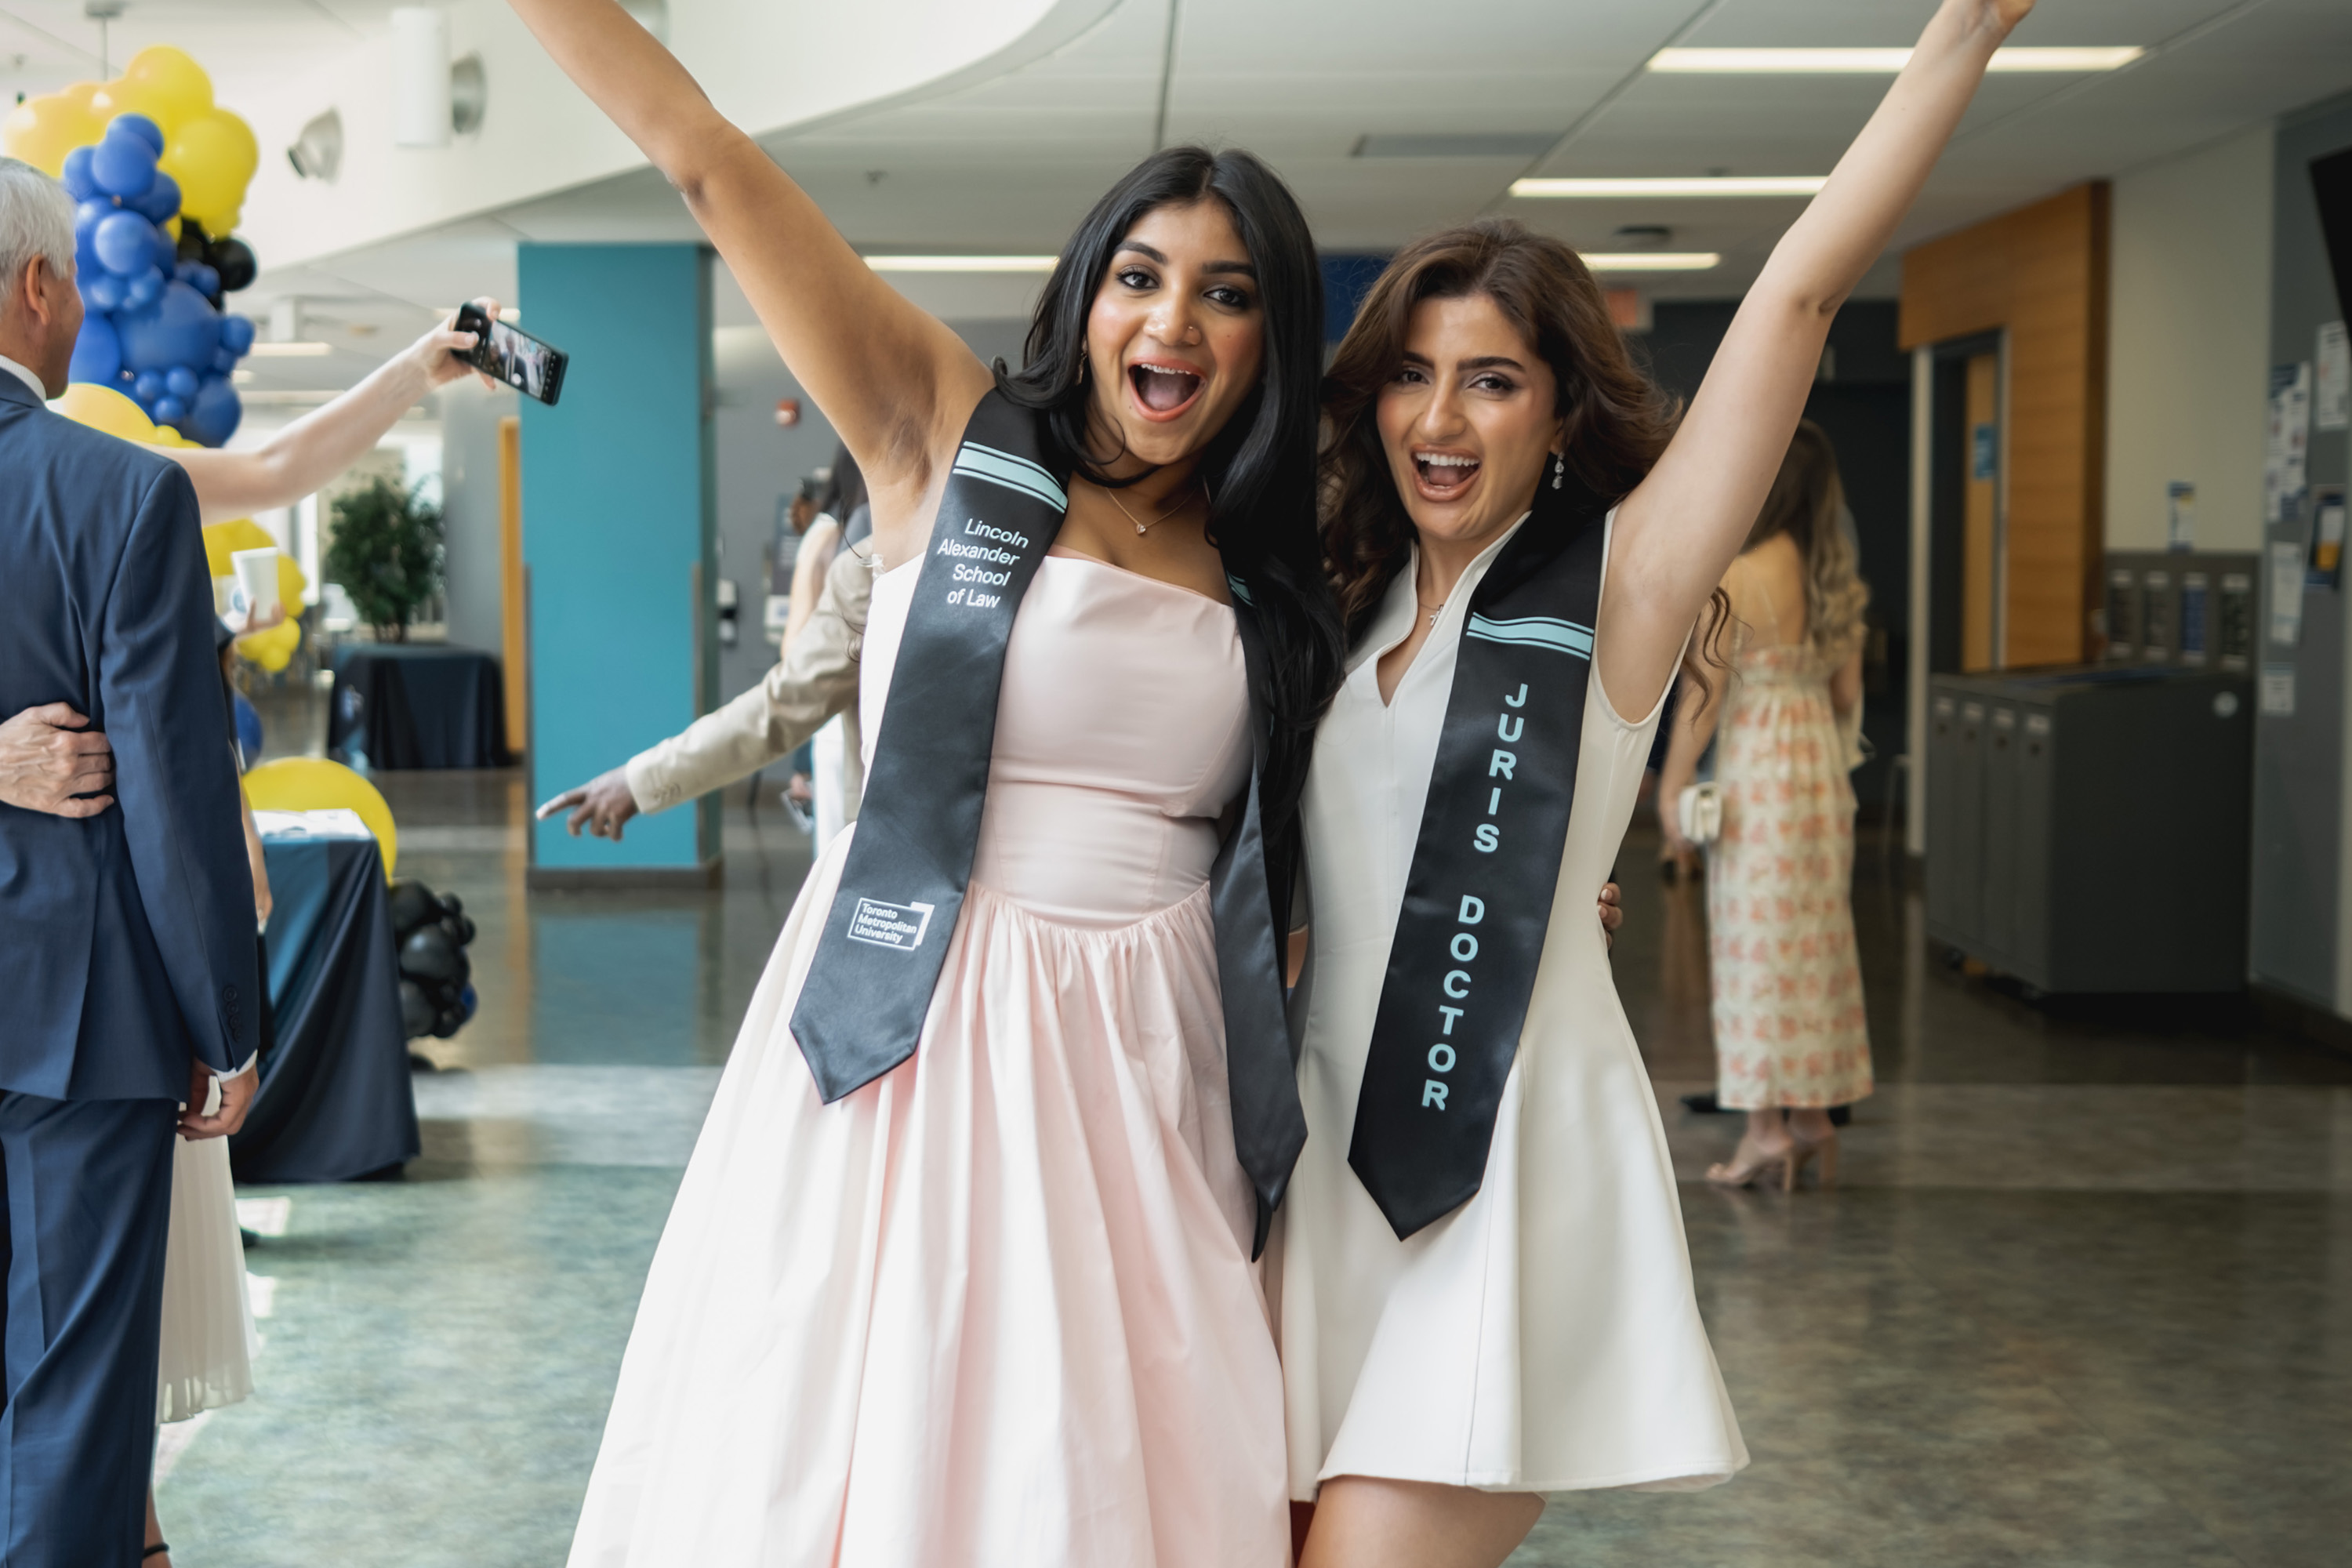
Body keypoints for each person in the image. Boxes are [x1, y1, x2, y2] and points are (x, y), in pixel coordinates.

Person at [504, 1, 1345, 1562]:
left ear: (1269, 340)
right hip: (922, 1008)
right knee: (871, 1400)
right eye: (1139, 278)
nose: (1171, 325)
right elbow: (706, 161)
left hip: (1151, 1045)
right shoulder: (951, 437)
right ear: (1084, 297)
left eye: (1225, 296)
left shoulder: (1271, 569)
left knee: (1109, 1442)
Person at [1276, 5, 2034, 1566]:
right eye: (1413, 376)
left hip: (1498, 1156)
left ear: (1560, 410)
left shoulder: (1614, 589)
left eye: (1492, 381)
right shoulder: (1340, 611)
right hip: (1311, 1163)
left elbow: (1804, 294)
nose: (1439, 417)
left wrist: (1959, 36)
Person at [0, 155, 259, 1568]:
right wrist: (226, 1017)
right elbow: (171, 786)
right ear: (43, 289)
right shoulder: (118, 493)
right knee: (70, 1409)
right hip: (80, 1025)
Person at [1658, 420, 1873, 1189]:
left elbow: (1703, 698)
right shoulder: (1837, 582)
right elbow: (1848, 693)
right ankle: (1813, 1115)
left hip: (1757, 780)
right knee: (1814, 952)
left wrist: (1673, 786)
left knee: (1754, 958)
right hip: (1819, 781)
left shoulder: (1737, 578)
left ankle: (1763, 1132)